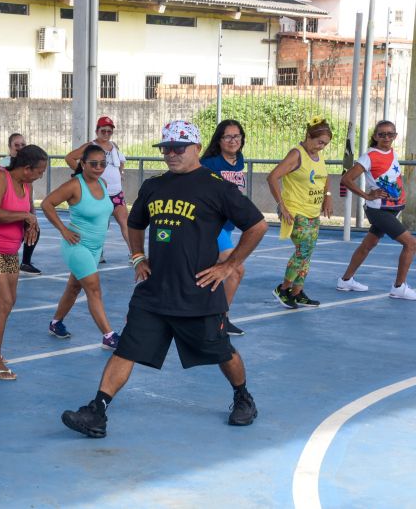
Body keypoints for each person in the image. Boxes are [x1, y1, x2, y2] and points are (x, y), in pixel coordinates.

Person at [61, 120, 267, 438]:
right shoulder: (154, 186)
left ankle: (243, 397)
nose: (170, 154)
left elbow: (257, 225)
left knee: (222, 352)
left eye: (178, 148)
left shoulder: (216, 187)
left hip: (198, 291)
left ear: (196, 148)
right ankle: (97, 412)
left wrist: (230, 266)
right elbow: (134, 223)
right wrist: (137, 256)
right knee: (126, 349)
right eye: (166, 148)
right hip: (154, 291)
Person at [0, 145, 48, 380]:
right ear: (26, 168)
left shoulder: (27, 185)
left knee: (9, 301)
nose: (41, 175)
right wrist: (25, 217)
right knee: (3, 303)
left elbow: (26, 212)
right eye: (39, 170)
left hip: (9, 250)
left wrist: (30, 224)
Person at [41, 144, 120, 349]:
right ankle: (108, 335)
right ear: (82, 164)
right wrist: (63, 230)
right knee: (94, 289)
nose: (98, 167)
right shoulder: (75, 185)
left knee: (74, 287)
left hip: (95, 248)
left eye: (103, 163)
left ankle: (56, 322)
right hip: (77, 246)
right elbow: (47, 204)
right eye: (93, 164)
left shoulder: (102, 183)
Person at [337, 120, 416, 300]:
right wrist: (366, 195)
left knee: (368, 245)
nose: (386, 137)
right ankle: (399, 287)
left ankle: (345, 280)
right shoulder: (369, 156)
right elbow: (347, 179)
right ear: (375, 136)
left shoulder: (391, 152)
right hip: (379, 210)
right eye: (382, 134)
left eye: (390, 134)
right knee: (411, 243)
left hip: (391, 209)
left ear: (395, 136)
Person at [267, 116, 333, 309]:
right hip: (296, 212)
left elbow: (325, 177)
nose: (322, 147)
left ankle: (297, 292)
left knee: (307, 253)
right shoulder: (297, 154)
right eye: (319, 142)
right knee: (303, 250)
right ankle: (283, 288)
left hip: (313, 212)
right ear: (308, 136)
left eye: (325, 144)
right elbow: (272, 177)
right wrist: (282, 206)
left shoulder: (318, 155)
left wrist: (328, 196)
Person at [200, 120, 249, 336]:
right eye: (227, 137)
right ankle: (221, 319)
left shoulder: (239, 161)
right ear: (219, 140)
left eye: (237, 136)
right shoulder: (209, 163)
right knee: (236, 269)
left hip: (227, 227)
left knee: (207, 272)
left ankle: (207, 315)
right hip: (212, 226)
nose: (233, 141)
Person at [65, 116, 128, 263]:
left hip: (117, 192)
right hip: (99, 192)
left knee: (125, 222)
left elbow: (121, 163)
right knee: (99, 225)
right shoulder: (90, 146)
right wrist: (85, 174)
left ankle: (135, 254)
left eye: (109, 131)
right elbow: (69, 158)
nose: (106, 134)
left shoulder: (114, 146)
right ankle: (97, 252)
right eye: (103, 130)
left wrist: (120, 173)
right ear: (97, 131)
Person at [0, 132, 41, 275]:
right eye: (16, 145)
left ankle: (25, 262)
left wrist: (33, 217)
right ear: (10, 148)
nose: (20, 148)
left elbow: (29, 198)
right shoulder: (3, 165)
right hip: (6, 208)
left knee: (34, 230)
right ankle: (2, 258)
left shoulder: (27, 167)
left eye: (23, 145)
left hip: (20, 209)